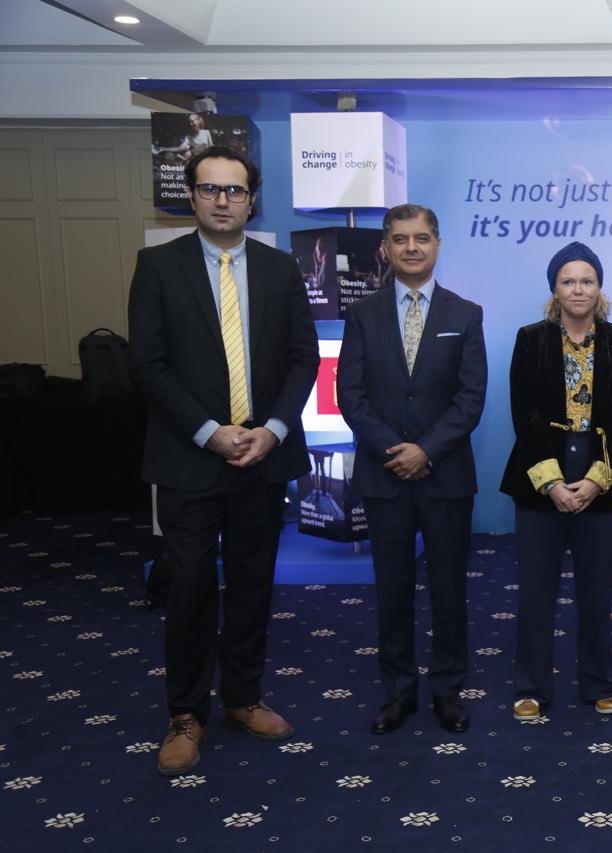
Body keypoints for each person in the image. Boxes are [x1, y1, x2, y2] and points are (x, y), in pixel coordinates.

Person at [127, 145, 319, 776]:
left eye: (234, 190)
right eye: (209, 188)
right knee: (188, 588)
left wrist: (275, 430)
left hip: (262, 458)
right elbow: (148, 365)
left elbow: (303, 358)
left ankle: (242, 696)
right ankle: (186, 714)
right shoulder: (158, 266)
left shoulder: (279, 269)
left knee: (252, 583)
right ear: (191, 195)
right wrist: (209, 433)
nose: (222, 200)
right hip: (189, 459)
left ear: (251, 200)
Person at [336, 204, 487, 736]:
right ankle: (398, 691)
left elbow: (470, 399)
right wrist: (393, 451)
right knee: (392, 589)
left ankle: (447, 689)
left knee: (448, 589)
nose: (412, 248)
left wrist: (425, 450)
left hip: (446, 475)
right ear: (386, 248)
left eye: (422, 238)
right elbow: (350, 395)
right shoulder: (362, 314)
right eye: (400, 239)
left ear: (437, 244)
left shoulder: (466, 314)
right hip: (384, 477)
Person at [500, 242, 612, 720]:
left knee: (597, 593)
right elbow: (524, 414)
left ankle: (599, 682)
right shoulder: (530, 338)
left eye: (587, 280)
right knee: (536, 593)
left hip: (602, 477)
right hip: (540, 478)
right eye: (568, 281)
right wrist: (553, 484)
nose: (578, 289)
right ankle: (531, 687)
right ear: (554, 289)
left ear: (599, 287)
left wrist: (598, 480)